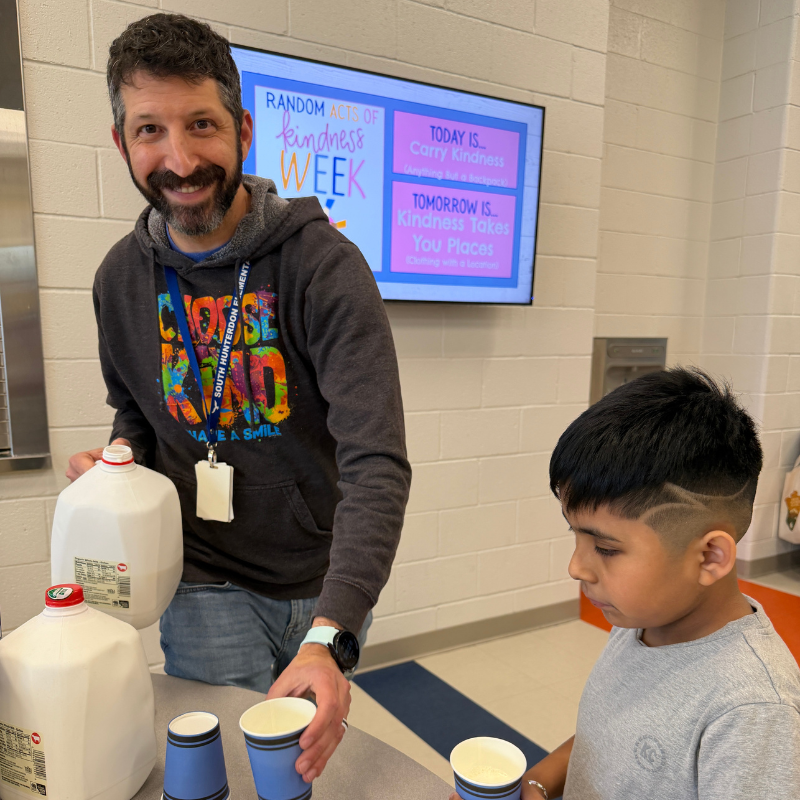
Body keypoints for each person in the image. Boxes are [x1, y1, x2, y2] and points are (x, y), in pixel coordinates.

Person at [66, 13, 411, 782]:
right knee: (230, 767)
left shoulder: (324, 267)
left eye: (201, 125)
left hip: (322, 576)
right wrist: (120, 465)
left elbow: (376, 461)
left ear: (243, 130)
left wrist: (333, 631)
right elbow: (138, 417)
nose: (180, 158)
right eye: (150, 129)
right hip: (205, 580)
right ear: (121, 141)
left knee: (297, 770)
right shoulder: (118, 282)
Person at [456, 367, 800, 800]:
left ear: (710, 556)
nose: (576, 567)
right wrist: (539, 784)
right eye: (575, 535)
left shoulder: (752, 710)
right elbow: (609, 738)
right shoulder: (642, 620)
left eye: (605, 548)